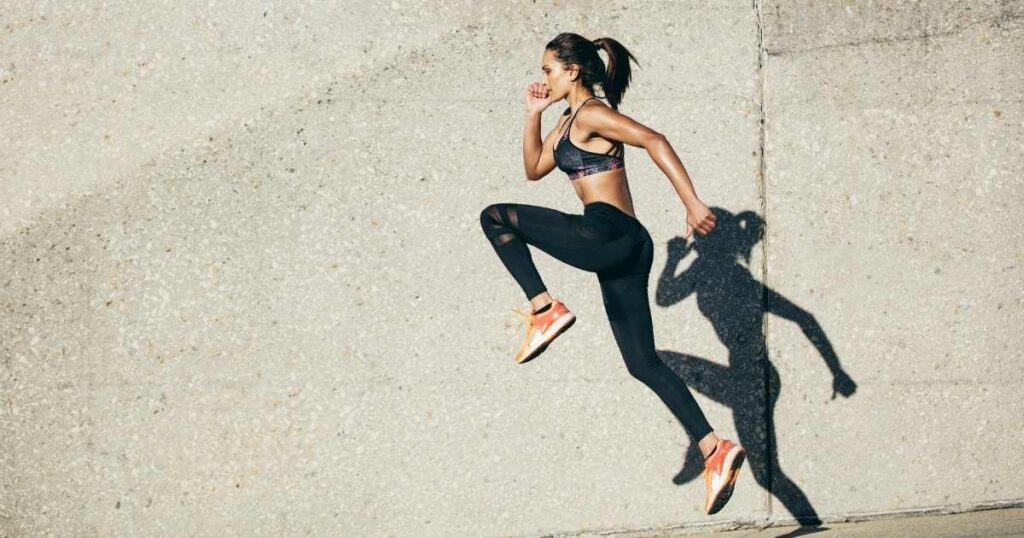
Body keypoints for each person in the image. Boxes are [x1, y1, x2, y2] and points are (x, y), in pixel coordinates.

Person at [479, 32, 747, 516]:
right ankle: (714, 448)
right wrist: (532, 114)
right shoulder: (565, 123)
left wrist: (690, 201)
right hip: (625, 247)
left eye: (548, 70)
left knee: (495, 217)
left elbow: (653, 139)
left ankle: (544, 308)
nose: (543, 78)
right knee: (642, 362)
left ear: (573, 70)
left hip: (611, 232)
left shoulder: (592, 114)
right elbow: (534, 169)